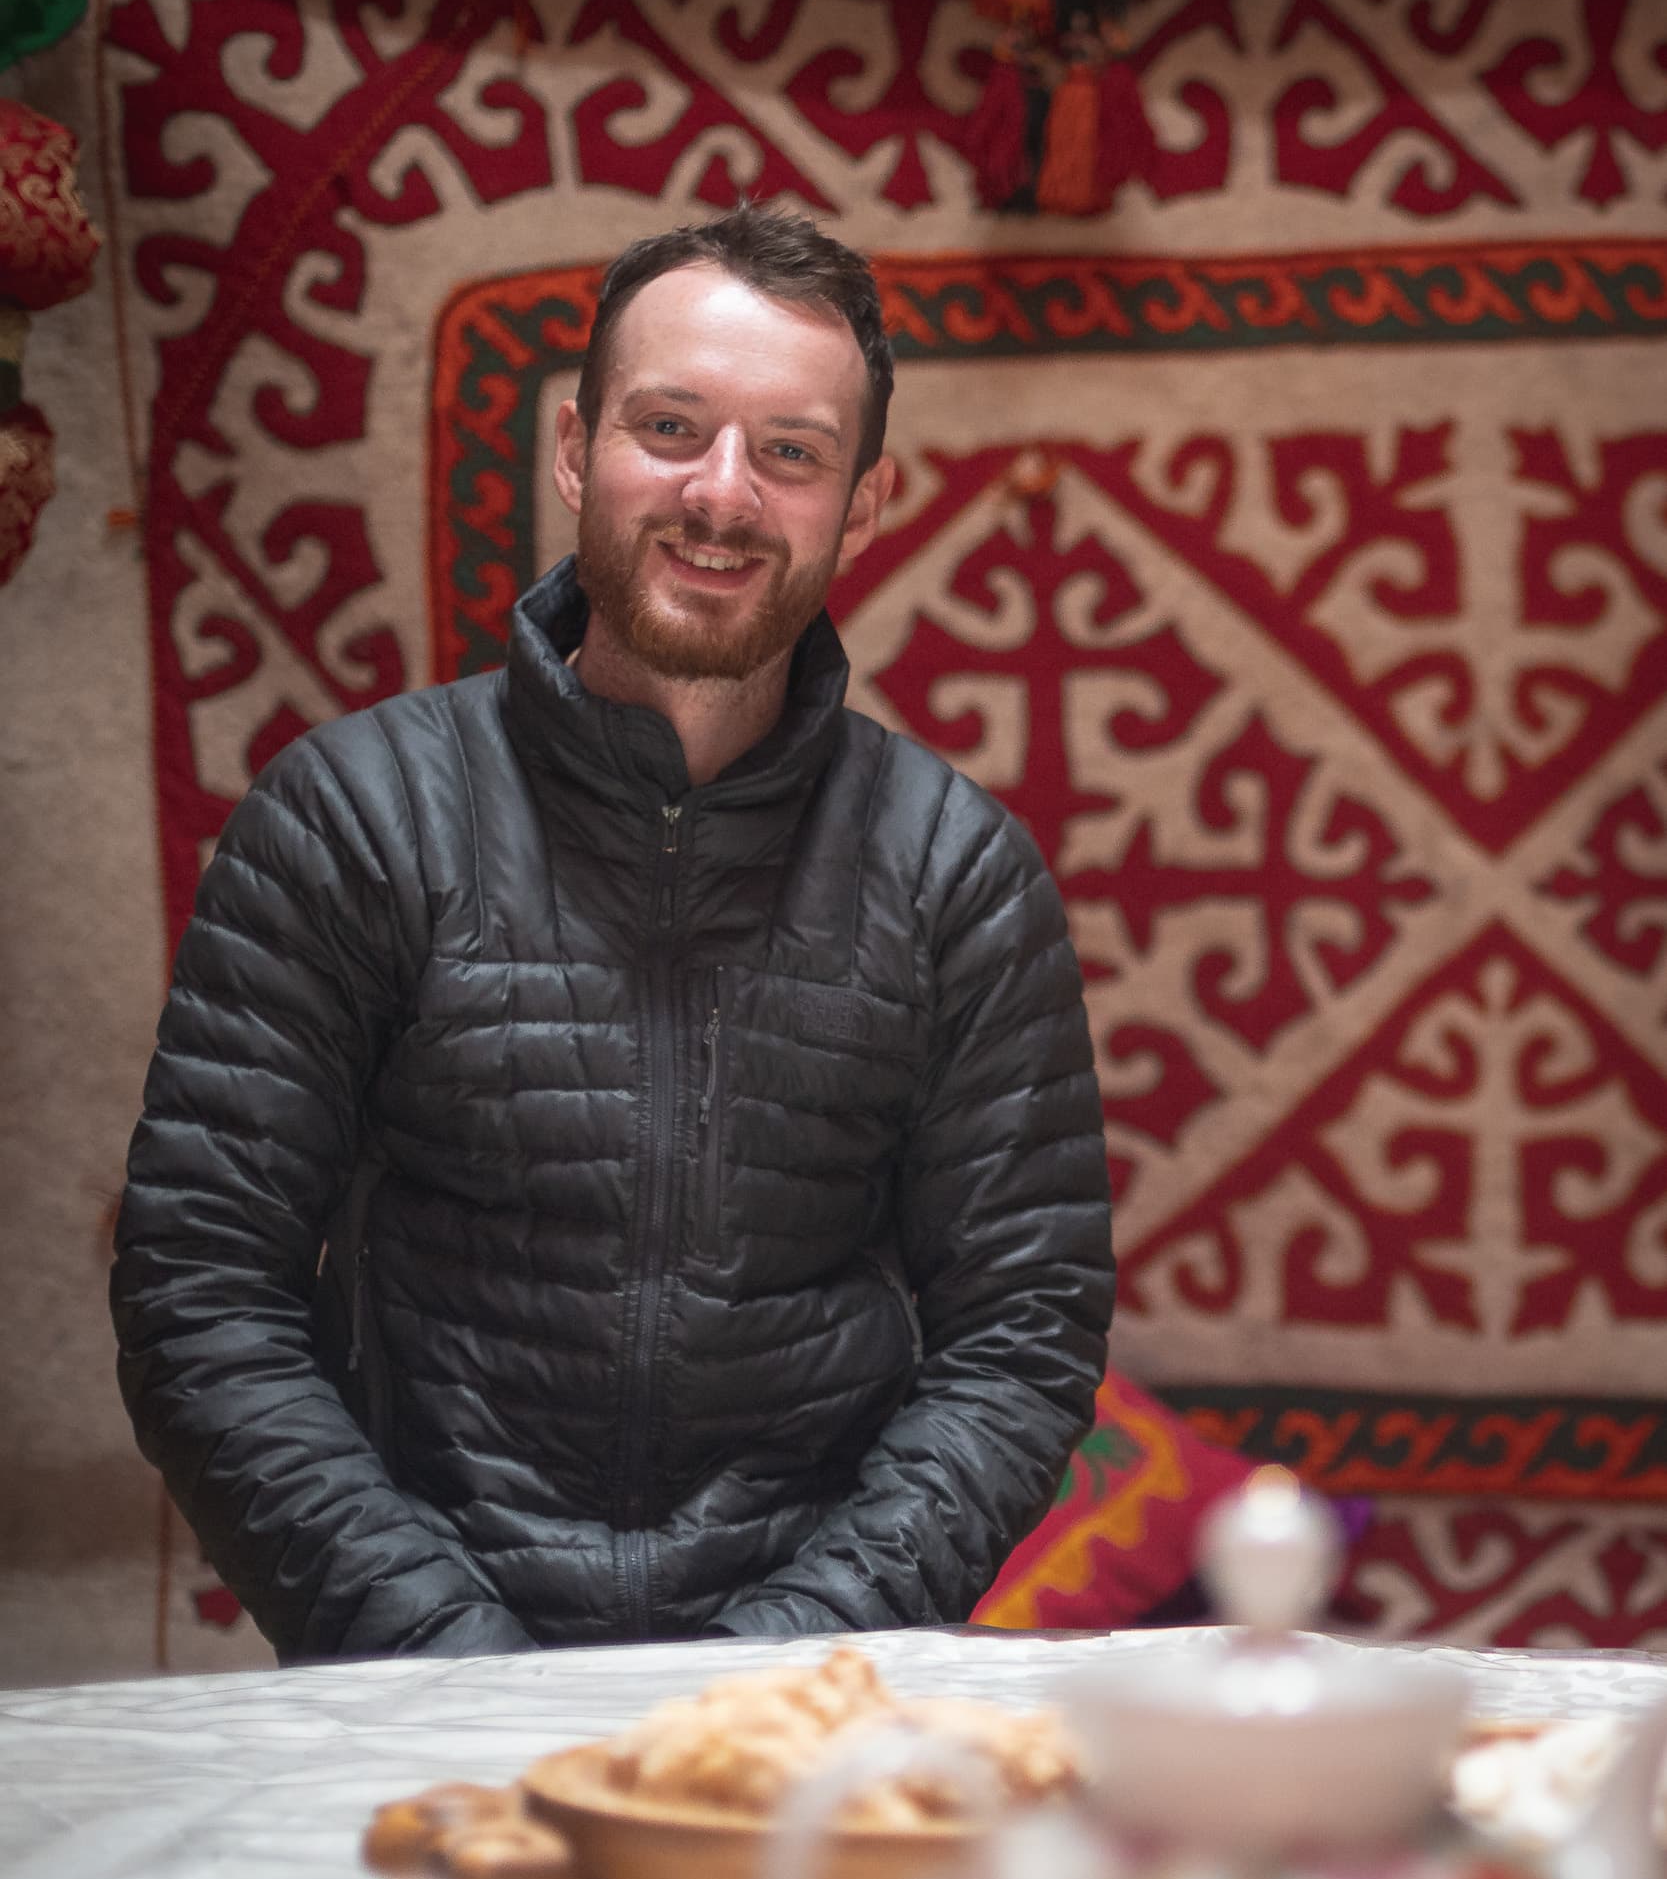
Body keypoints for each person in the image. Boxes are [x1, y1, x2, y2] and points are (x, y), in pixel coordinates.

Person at [111, 204, 1115, 1662]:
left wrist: (775, 1675)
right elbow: (201, 1291)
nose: (723, 495)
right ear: (577, 451)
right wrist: (446, 1664)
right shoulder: (355, 817)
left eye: (790, 451)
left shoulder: (956, 872)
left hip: (809, 1709)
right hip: (407, 1686)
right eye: (670, 427)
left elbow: (1020, 1343)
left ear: (865, 502)